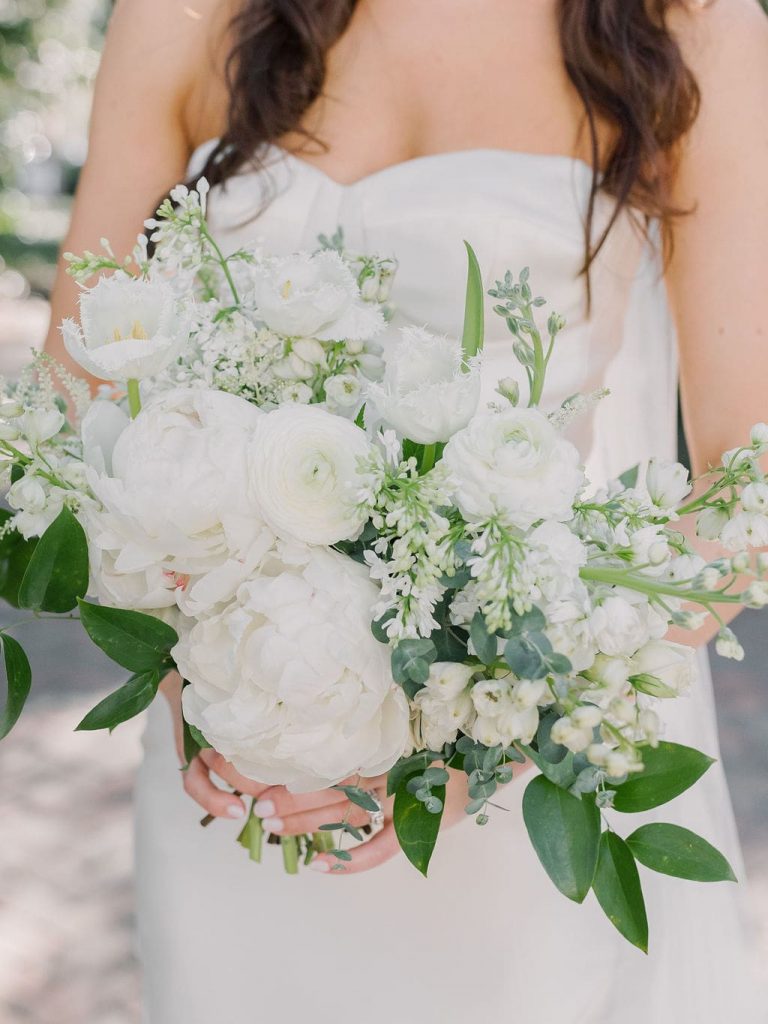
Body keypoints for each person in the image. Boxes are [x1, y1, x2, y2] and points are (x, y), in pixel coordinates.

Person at [44, 0, 768, 1020]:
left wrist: (489, 729)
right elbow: (74, 400)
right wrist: (201, 675)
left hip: (516, 790)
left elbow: (747, 486)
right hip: (243, 757)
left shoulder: (690, 27)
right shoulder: (184, 14)